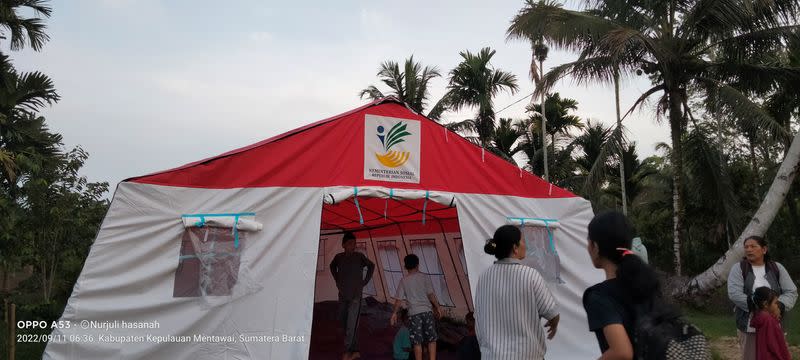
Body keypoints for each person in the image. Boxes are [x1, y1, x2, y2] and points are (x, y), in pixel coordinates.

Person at [582, 211, 665, 359]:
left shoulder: (599, 296)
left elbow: (621, 352)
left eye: (589, 240)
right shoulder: (647, 284)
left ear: (596, 246)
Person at [475, 225, 560, 360]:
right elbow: (552, 312)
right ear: (515, 248)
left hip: (492, 355)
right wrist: (554, 324)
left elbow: (478, 316)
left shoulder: (483, 277)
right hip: (526, 355)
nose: (525, 245)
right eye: (523, 241)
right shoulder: (530, 275)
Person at [727, 235, 797, 360]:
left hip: (776, 323)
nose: (749, 250)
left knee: (776, 354)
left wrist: (779, 306)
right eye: (746, 247)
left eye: (753, 246)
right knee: (751, 356)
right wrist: (762, 308)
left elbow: (791, 291)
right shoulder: (738, 269)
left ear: (764, 249)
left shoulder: (777, 268)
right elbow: (734, 294)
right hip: (749, 325)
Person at [330, 231, 375, 360]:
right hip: (343, 294)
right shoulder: (338, 257)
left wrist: (365, 281)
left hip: (356, 295)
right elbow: (332, 267)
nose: (353, 246)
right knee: (344, 321)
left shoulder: (359, 256)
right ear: (343, 244)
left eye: (354, 244)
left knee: (352, 323)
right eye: (350, 243)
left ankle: (347, 351)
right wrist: (337, 279)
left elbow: (371, 266)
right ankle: (355, 350)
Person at [391, 254, 442, 360]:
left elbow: (398, 300)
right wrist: (438, 307)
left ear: (405, 267)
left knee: (417, 342)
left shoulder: (404, 281)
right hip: (427, 312)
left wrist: (394, 313)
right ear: (418, 265)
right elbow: (431, 294)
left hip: (414, 314)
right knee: (432, 339)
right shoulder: (424, 277)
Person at [748, 287, 791, 360]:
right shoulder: (769, 321)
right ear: (765, 304)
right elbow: (775, 345)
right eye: (776, 303)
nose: (777, 306)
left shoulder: (760, 317)